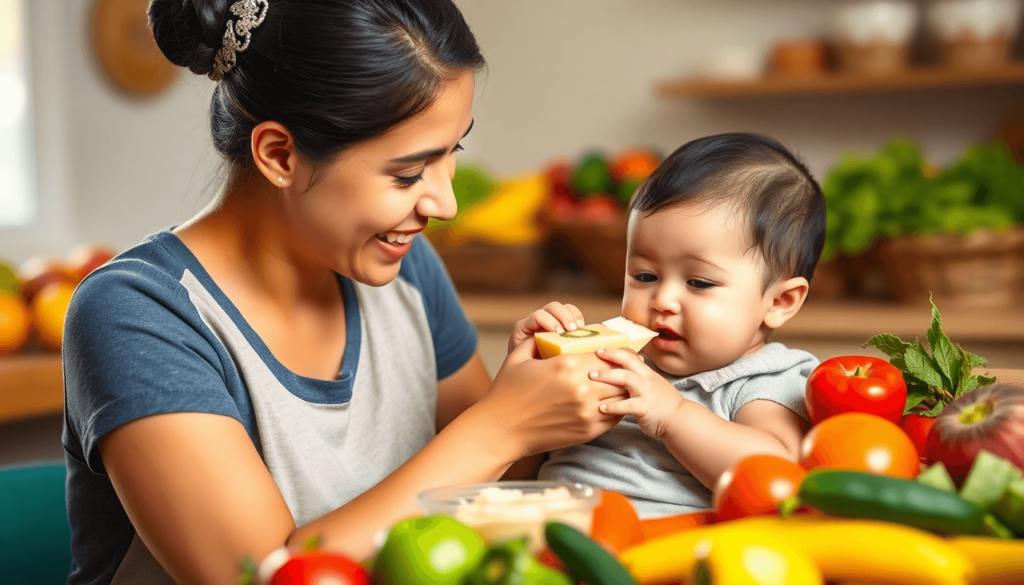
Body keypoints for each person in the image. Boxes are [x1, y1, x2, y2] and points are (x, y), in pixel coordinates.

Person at [61, 1, 626, 583]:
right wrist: (503, 425)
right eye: (408, 173)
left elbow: (484, 497)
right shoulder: (137, 314)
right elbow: (265, 575)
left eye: (451, 152)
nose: (445, 204)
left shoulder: (405, 268)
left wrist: (536, 401)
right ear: (280, 155)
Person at [510, 133, 827, 518]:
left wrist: (674, 416)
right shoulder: (607, 360)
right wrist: (521, 384)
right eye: (644, 276)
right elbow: (514, 473)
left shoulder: (766, 379)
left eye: (699, 283)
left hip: (659, 544)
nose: (661, 300)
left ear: (778, 302)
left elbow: (777, 472)